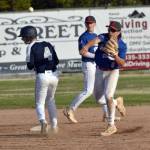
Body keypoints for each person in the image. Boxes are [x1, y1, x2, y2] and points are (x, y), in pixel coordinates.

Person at [80, 21, 127, 136]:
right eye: (109, 29)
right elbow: (95, 40)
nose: (110, 32)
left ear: (118, 32)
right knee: (98, 99)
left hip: (112, 72)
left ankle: (111, 125)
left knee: (108, 96)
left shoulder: (122, 45)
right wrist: (86, 47)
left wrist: (115, 55)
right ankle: (117, 102)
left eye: (113, 30)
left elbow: (122, 63)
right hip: (99, 70)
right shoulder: (103, 37)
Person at [18, 25, 59, 135]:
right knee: (51, 100)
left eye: (24, 37)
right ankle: (54, 126)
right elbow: (57, 61)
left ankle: (43, 121)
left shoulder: (30, 47)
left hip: (42, 76)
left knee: (39, 103)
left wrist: (35, 63)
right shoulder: (48, 44)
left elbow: (30, 65)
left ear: (29, 37)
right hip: (54, 76)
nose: (22, 39)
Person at [63, 16, 98, 123]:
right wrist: (96, 56)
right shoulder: (84, 37)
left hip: (95, 65)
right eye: (87, 23)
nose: (89, 25)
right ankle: (70, 109)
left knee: (100, 90)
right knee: (88, 91)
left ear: (94, 24)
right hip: (88, 64)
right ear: (85, 24)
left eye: (91, 23)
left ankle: (107, 114)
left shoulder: (96, 36)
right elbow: (82, 52)